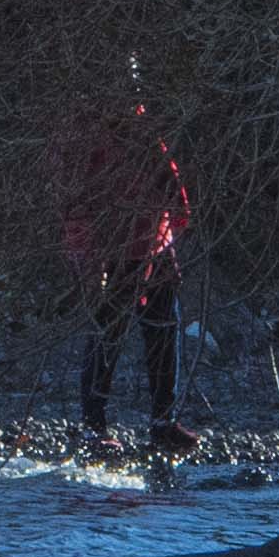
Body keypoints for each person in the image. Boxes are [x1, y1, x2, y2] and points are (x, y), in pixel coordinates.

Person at [52, 59, 191, 454]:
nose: (132, 95)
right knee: (107, 337)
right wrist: (86, 257)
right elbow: (75, 203)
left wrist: (177, 221)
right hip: (115, 253)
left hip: (153, 248)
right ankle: (94, 425)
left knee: (161, 335)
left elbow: (172, 184)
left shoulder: (143, 130)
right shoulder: (88, 137)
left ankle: (163, 422)